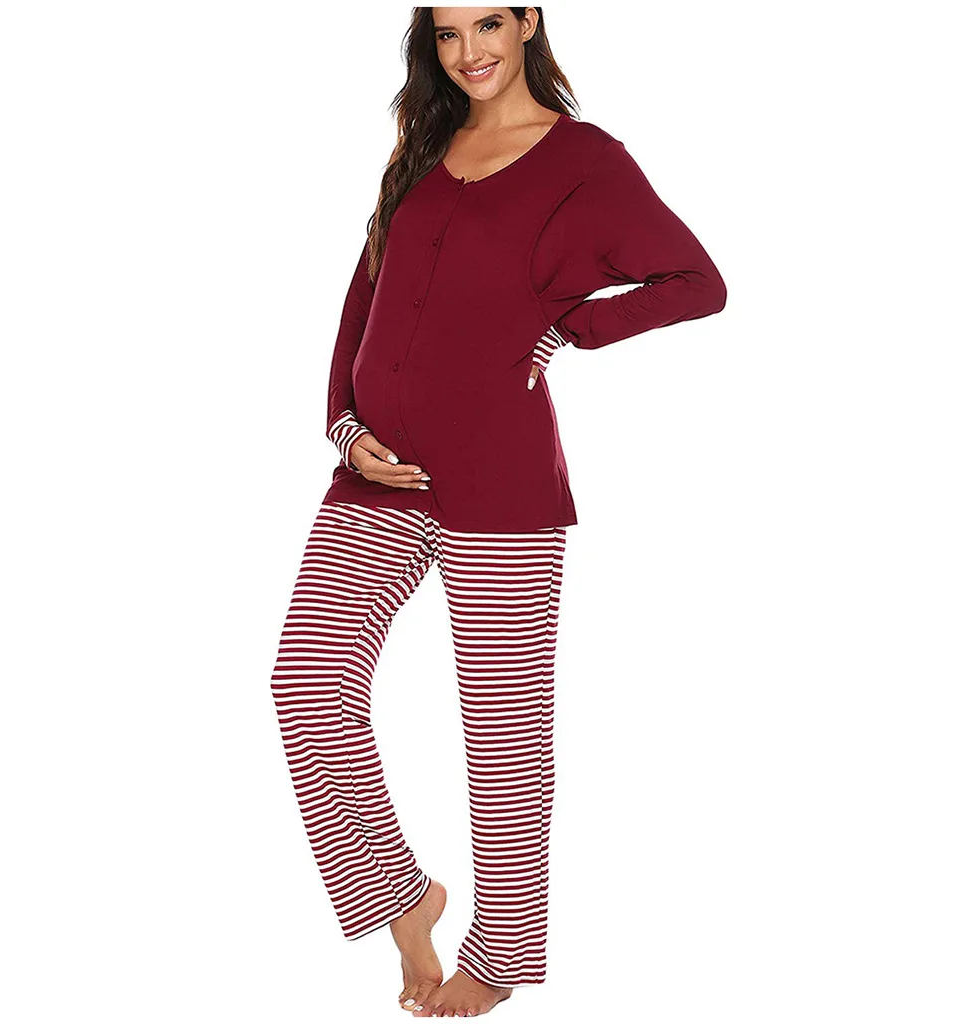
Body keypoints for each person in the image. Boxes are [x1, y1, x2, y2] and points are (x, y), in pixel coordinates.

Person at [269, 7, 726, 1018]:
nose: (469, 51)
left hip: (501, 483)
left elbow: (697, 282)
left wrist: (574, 327)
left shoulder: (585, 160)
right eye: (446, 34)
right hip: (378, 477)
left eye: (487, 23)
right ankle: (400, 894)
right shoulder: (424, 147)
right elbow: (363, 299)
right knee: (306, 685)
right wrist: (342, 425)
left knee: (503, 733)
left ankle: (505, 948)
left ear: (528, 23)